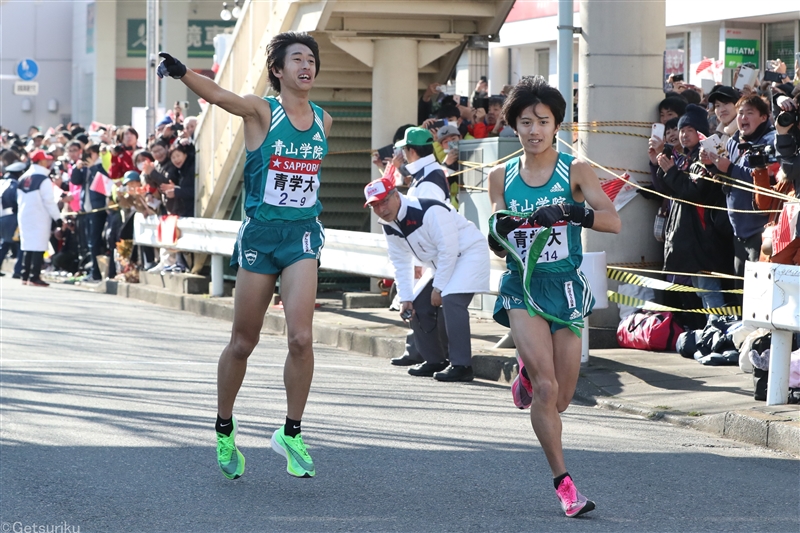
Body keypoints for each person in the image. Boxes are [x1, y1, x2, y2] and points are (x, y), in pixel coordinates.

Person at [159, 31, 332, 481]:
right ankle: (223, 426)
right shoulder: (261, 111)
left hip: (302, 238)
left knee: (301, 338)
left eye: (311, 59)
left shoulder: (323, 121)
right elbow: (218, 94)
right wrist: (182, 73)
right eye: (297, 59)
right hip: (260, 237)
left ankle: (291, 432)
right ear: (278, 70)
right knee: (243, 341)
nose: (306, 66)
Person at [486, 76, 620, 517]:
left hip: (564, 286)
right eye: (525, 122)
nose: (533, 130)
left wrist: (570, 211)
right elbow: (494, 233)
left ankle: (525, 376)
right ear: (514, 126)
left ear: (556, 125)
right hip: (522, 285)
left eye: (542, 121)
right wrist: (500, 228)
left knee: (560, 398)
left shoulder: (575, 170)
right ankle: (565, 486)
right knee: (546, 388)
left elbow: (611, 220)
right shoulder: (500, 176)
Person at [365, 176, 489, 381]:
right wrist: (405, 298)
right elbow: (400, 262)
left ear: (396, 195)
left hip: (468, 255)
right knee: (417, 304)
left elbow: (449, 250)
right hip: (441, 264)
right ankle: (435, 360)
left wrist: (438, 288)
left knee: (451, 300)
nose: (381, 209)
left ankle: (462, 365)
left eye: (384, 201)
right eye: (374, 206)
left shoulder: (428, 209)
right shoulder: (388, 224)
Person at [700, 95, 775, 278]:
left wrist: (731, 168)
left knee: (758, 292)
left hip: (761, 230)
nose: (743, 118)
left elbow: (769, 180)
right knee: (740, 292)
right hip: (738, 230)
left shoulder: (771, 141)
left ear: (764, 117)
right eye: (740, 113)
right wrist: (711, 165)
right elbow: (728, 177)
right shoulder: (734, 142)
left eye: (750, 113)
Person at [16, 150, 62, 287]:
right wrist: (57, 217)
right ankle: (34, 276)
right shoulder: (43, 179)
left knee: (27, 244)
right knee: (39, 245)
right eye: (45, 160)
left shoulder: (23, 178)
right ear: (40, 161)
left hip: (24, 214)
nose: (47, 162)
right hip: (39, 215)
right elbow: (49, 201)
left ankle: (25, 274)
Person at [395, 127, 450, 203]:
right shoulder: (428, 172)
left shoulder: (428, 179)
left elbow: (431, 213)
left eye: (404, 148)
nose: (403, 152)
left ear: (412, 151)